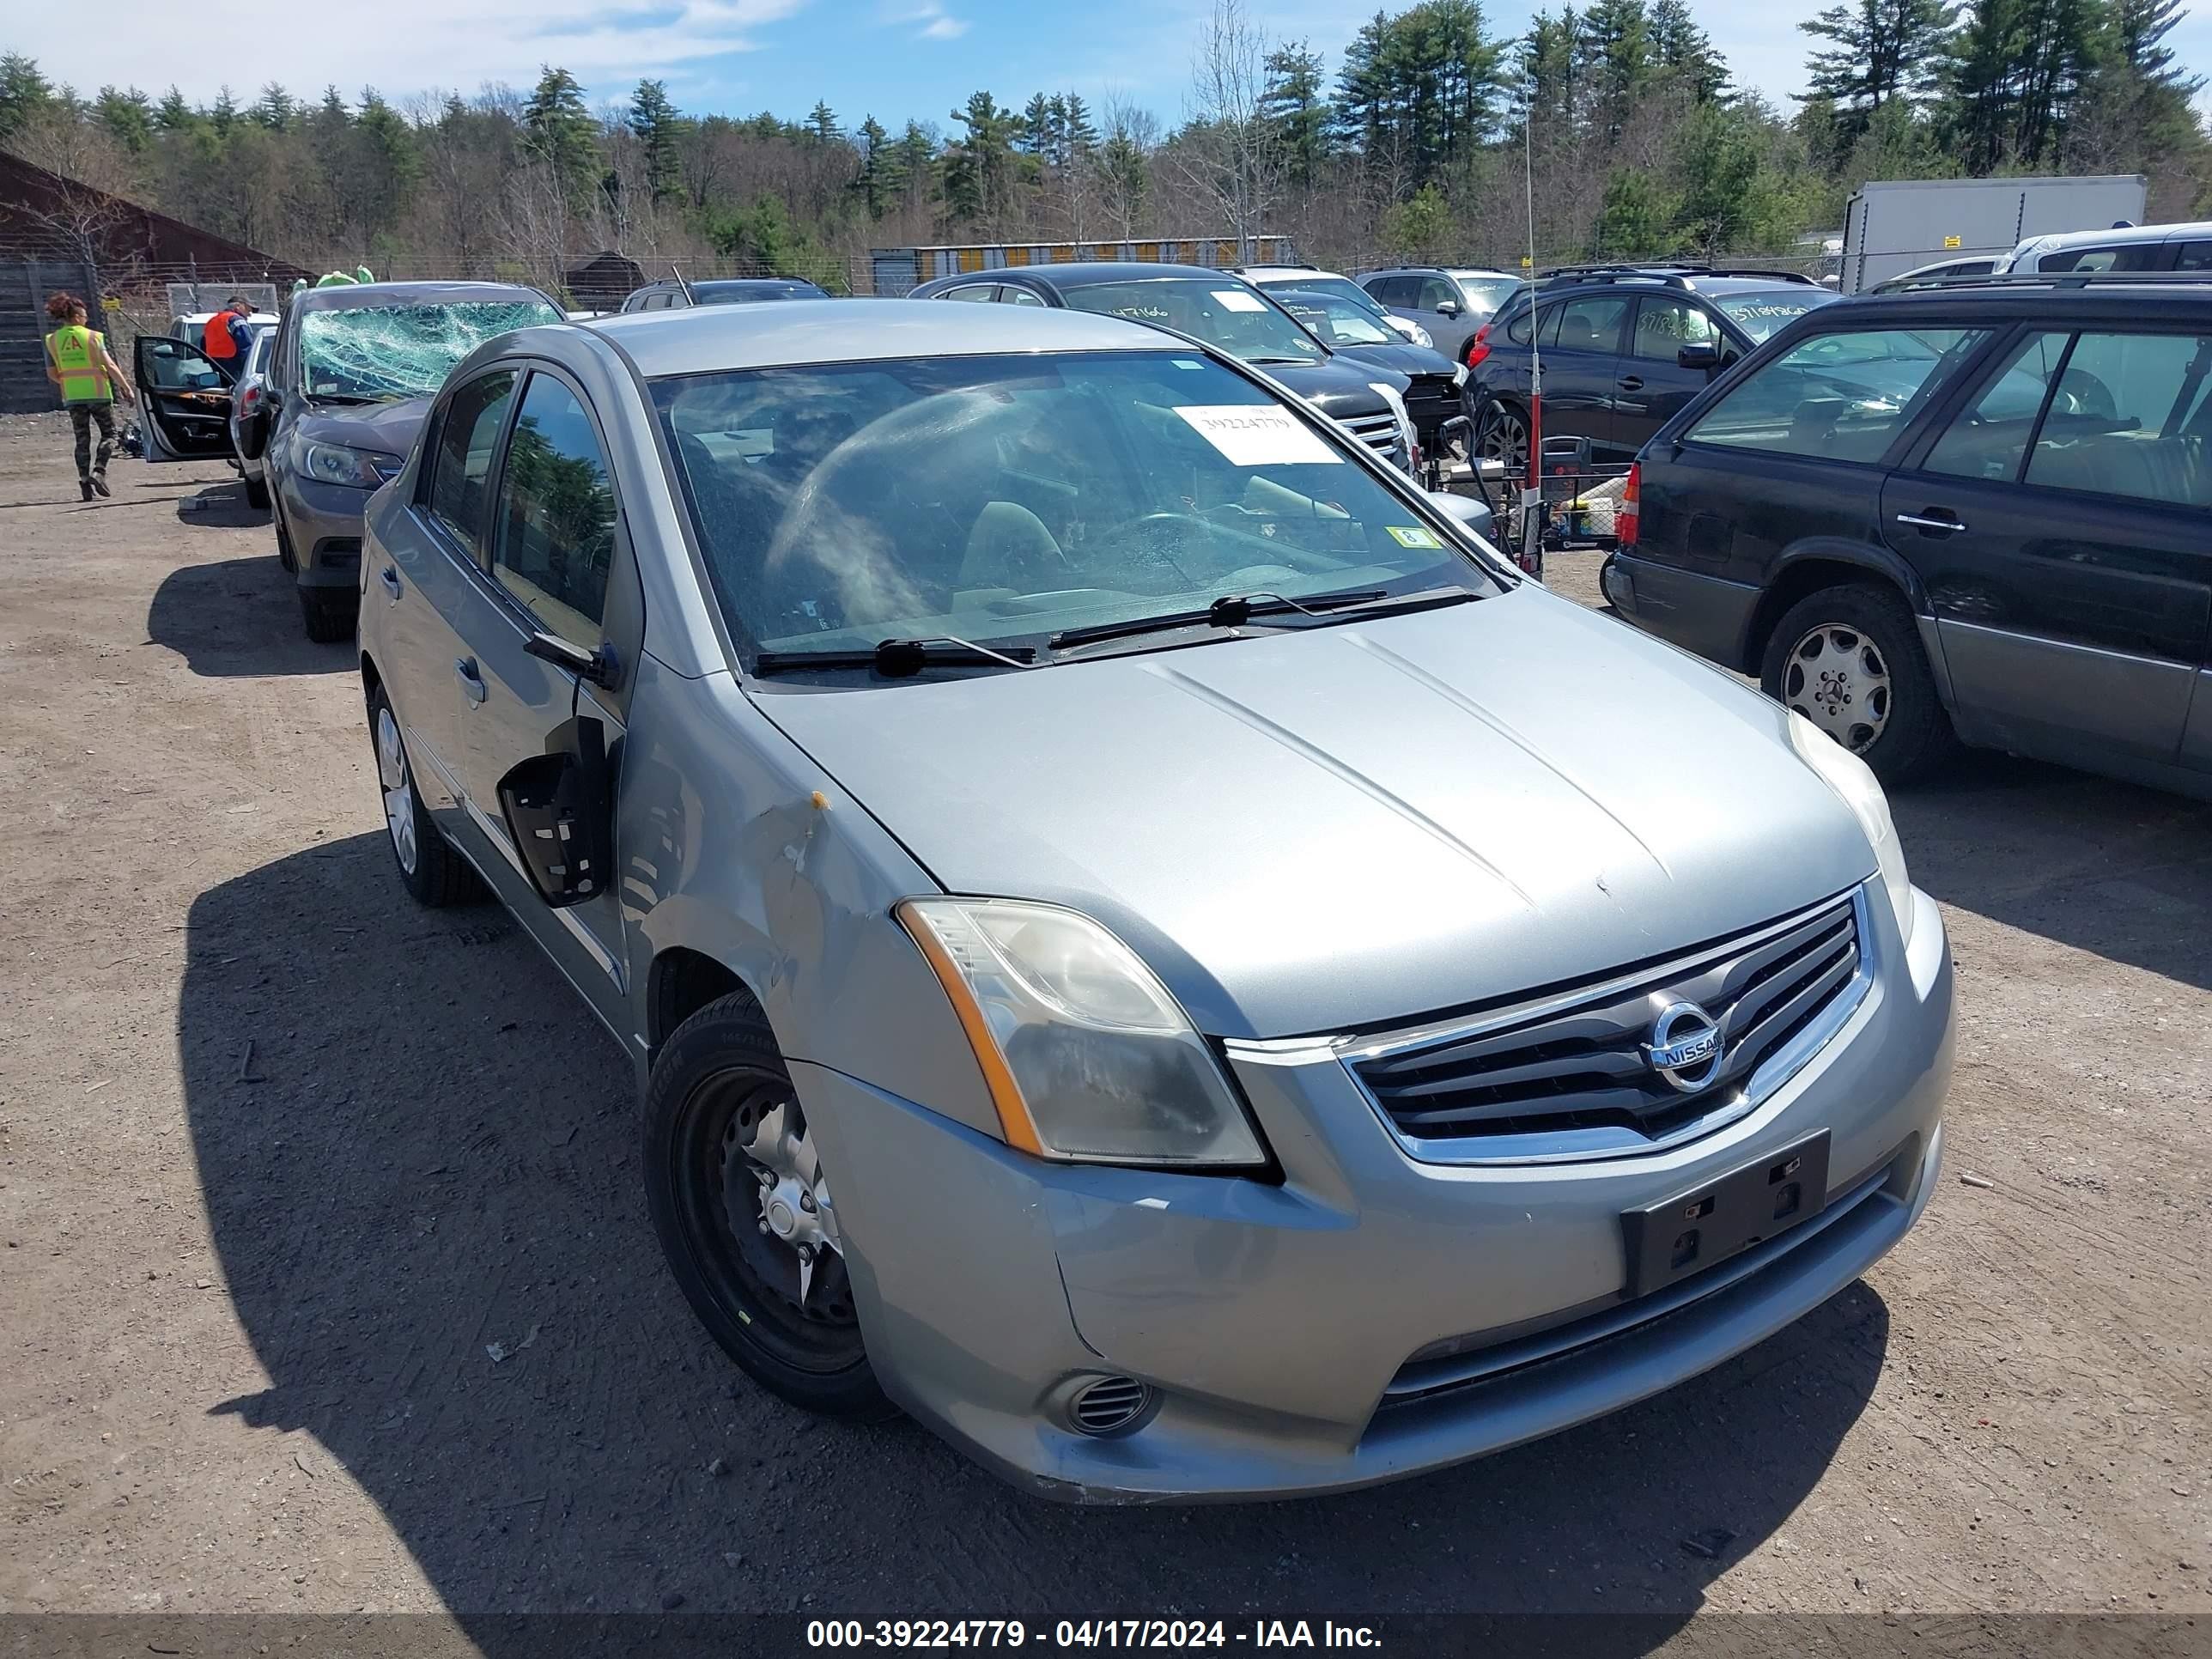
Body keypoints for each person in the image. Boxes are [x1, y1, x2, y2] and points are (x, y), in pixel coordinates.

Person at [44, 292, 135, 501]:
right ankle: (99, 471)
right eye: (84, 317)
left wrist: (69, 382)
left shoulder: (53, 340)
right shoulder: (93, 337)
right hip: (98, 392)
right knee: (110, 434)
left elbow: (51, 372)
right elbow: (110, 365)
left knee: (82, 439)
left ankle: (84, 482)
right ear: (77, 317)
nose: (86, 320)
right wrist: (126, 387)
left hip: (73, 396)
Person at [202, 295, 253, 380]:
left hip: (214, 365)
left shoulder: (213, 320)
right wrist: (248, 368)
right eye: (247, 309)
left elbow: (203, 344)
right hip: (235, 366)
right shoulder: (237, 320)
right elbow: (246, 346)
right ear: (238, 306)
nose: (249, 313)